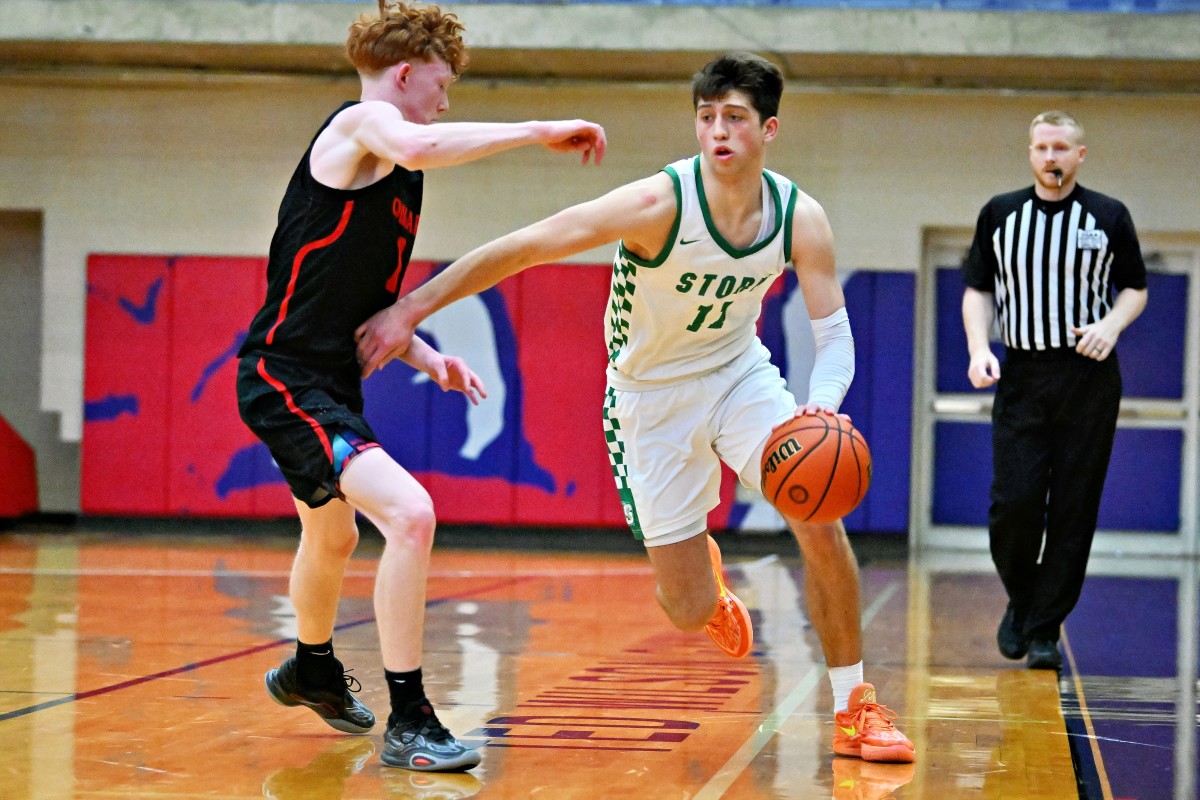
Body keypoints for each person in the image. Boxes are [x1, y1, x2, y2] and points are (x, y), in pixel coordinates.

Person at [354, 52, 915, 765]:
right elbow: (526, 247)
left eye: (735, 118)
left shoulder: (799, 216)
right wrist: (410, 308)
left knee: (818, 516)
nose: (718, 131)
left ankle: (853, 709)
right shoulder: (659, 204)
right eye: (707, 117)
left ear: (769, 129)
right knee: (684, 611)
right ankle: (704, 577)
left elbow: (834, 336)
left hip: (739, 373)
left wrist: (820, 414)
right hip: (648, 398)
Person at [235, 0, 605, 772]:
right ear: (404, 73)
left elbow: (362, 304)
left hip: (327, 377)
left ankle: (310, 668)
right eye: (441, 83)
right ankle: (411, 719)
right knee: (411, 515)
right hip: (283, 375)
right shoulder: (361, 126)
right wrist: (537, 132)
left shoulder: (392, 175)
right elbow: (426, 139)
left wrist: (428, 356)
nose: (445, 98)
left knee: (331, 535)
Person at [962, 110, 1147, 671]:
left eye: (1061, 147)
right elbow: (977, 290)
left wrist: (1110, 327)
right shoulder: (1000, 213)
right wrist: (978, 347)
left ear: (1079, 154)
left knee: (1073, 509)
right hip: (1022, 375)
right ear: (1030, 153)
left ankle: (1044, 629)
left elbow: (1135, 288)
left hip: (1088, 378)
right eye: (1041, 147)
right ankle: (1023, 601)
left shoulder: (1109, 215)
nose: (1051, 157)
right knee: (1013, 506)